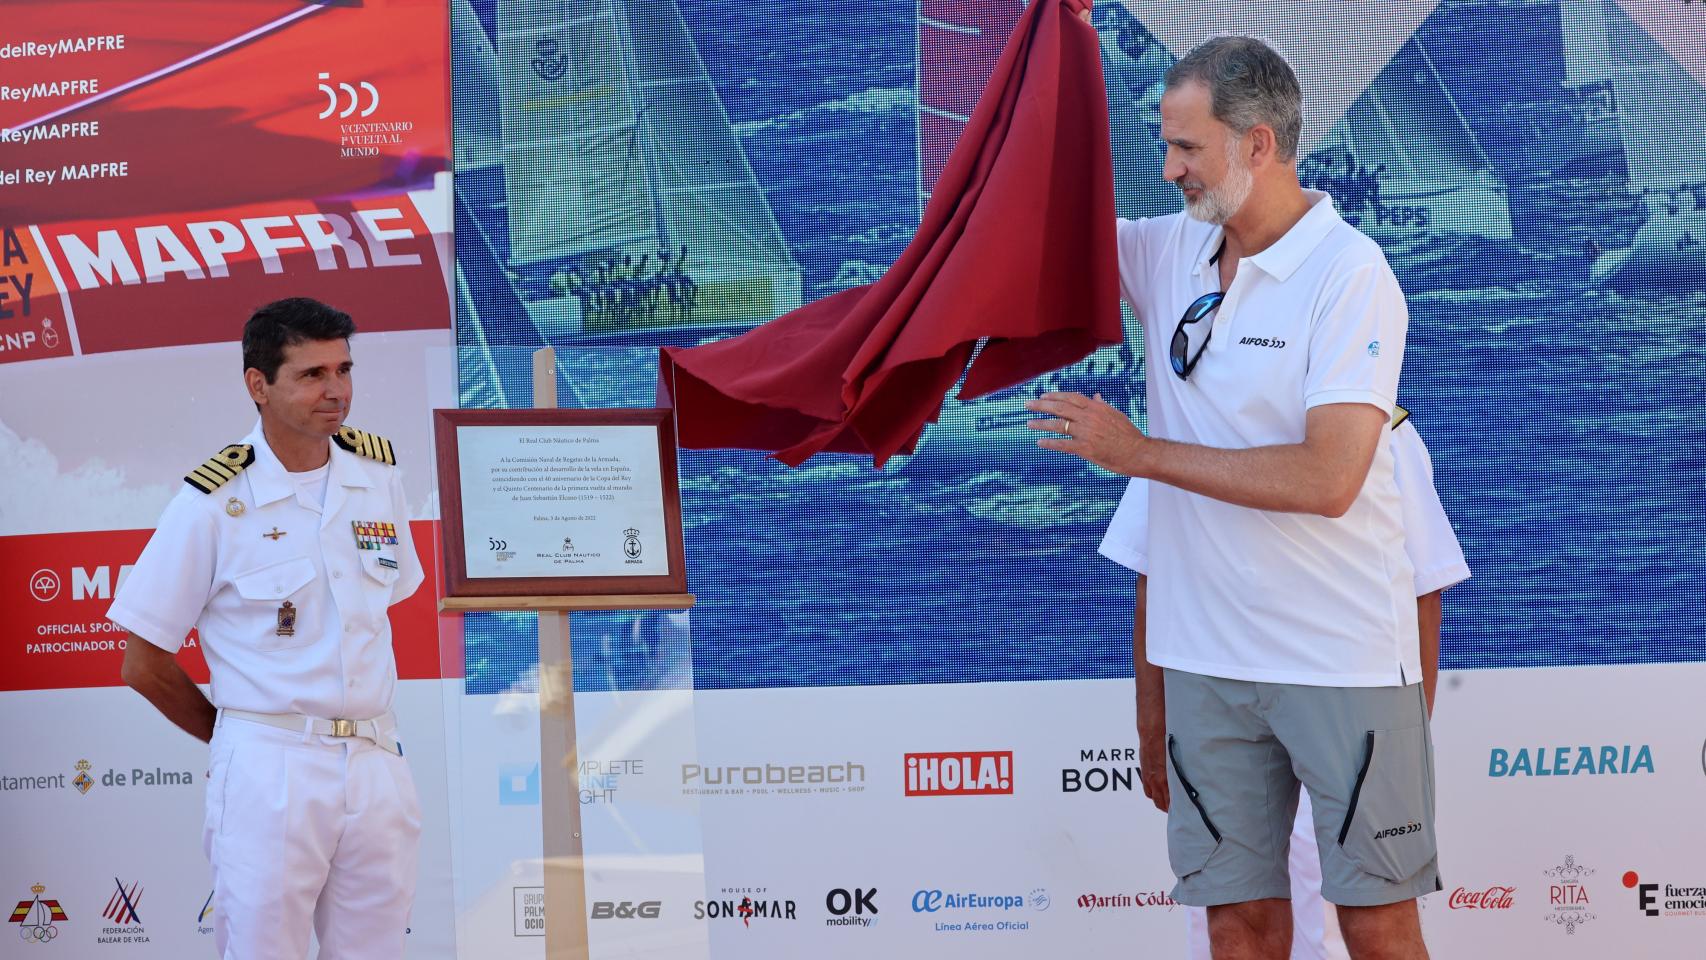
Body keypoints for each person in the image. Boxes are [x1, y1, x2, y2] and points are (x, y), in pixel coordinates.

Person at [1029, 34, 1434, 959]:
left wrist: (1139, 453)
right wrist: (1047, 56)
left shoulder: (1352, 274)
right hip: (1205, 666)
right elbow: (1034, 227)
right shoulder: (1169, 248)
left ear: (1258, 145)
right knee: (1239, 927)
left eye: (1186, 149)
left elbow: (1330, 478)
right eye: (1164, 146)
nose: (1167, 170)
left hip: (1342, 664)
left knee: (1376, 926)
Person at [108, 297, 425, 960]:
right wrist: (235, 735)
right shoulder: (213, 501)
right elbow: (143, 661)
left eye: (343, 369)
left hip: (376, 762)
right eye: (312, 375)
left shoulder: (378, 475)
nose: (335, 391)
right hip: (271, 767)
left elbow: (389, 599)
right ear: (259, 385)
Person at [1099, 411, 1471, 959]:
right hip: (1218, 702)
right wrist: (1152, 730)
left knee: (1377, 926)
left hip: (1348, 697)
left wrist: (1411, 731)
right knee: (1235, 926)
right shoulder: (1185, 424)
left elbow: (1424, 583)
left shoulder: (1375, 422)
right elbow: (1154, 577)